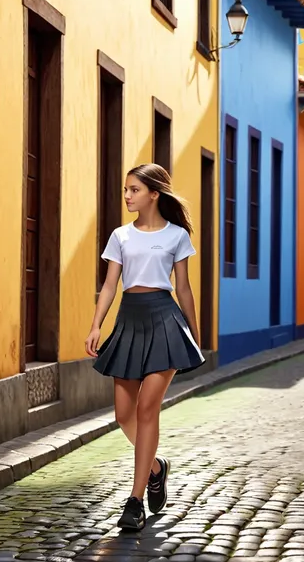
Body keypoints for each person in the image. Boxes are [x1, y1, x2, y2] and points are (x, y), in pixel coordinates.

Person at [85, 163, 205, 532]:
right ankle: (156, 468)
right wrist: (95, 325)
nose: (127, 196)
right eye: (126, 189)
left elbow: (183, 288)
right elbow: (109, 286)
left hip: (166, 321)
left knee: (147, 409)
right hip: (129, 320)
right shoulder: (120, 235)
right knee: (124, 414)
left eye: (134, 190)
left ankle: (134, 501)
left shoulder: (176, 236)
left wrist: (193, 333)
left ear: (154, 194)